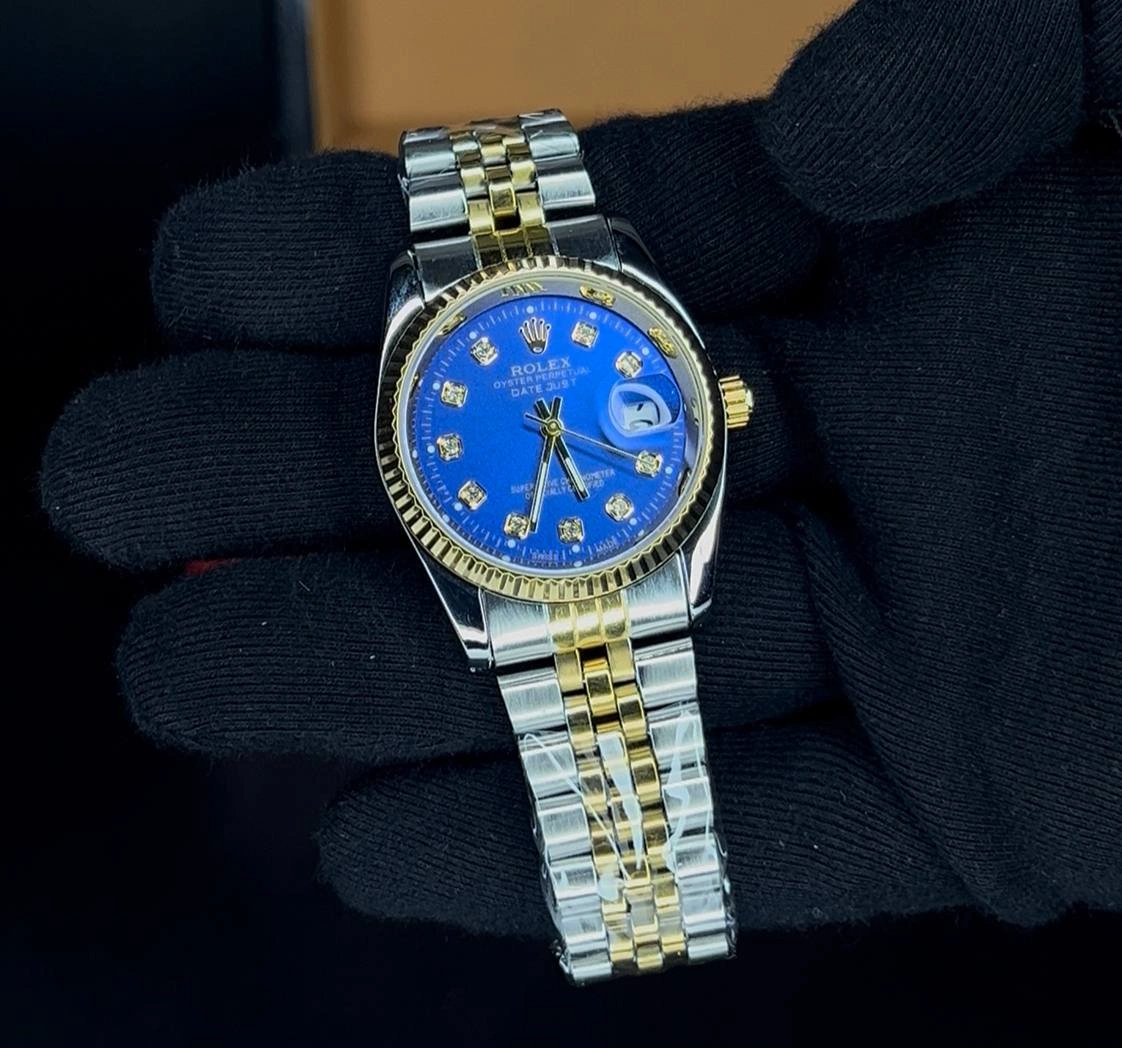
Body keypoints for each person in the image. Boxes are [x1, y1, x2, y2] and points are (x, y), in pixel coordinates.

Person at [41, 0, 1121, 942]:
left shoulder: (659, 405)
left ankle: (642, 898)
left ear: (718, 401)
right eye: (543, 420)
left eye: (556, 417)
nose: (553, 427)